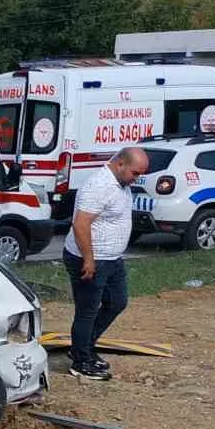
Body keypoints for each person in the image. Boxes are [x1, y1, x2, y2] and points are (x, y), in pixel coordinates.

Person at [63, 146, 147, 381]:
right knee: (87, 311)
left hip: (111, 258)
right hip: (89, 259)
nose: (136, 179)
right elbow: (80, 225)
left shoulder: (121, 183)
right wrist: (89, 259)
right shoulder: (99, 186)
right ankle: (80, 361)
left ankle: (84, 346)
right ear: (120, 164)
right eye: (135, 173)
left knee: (117, 302)